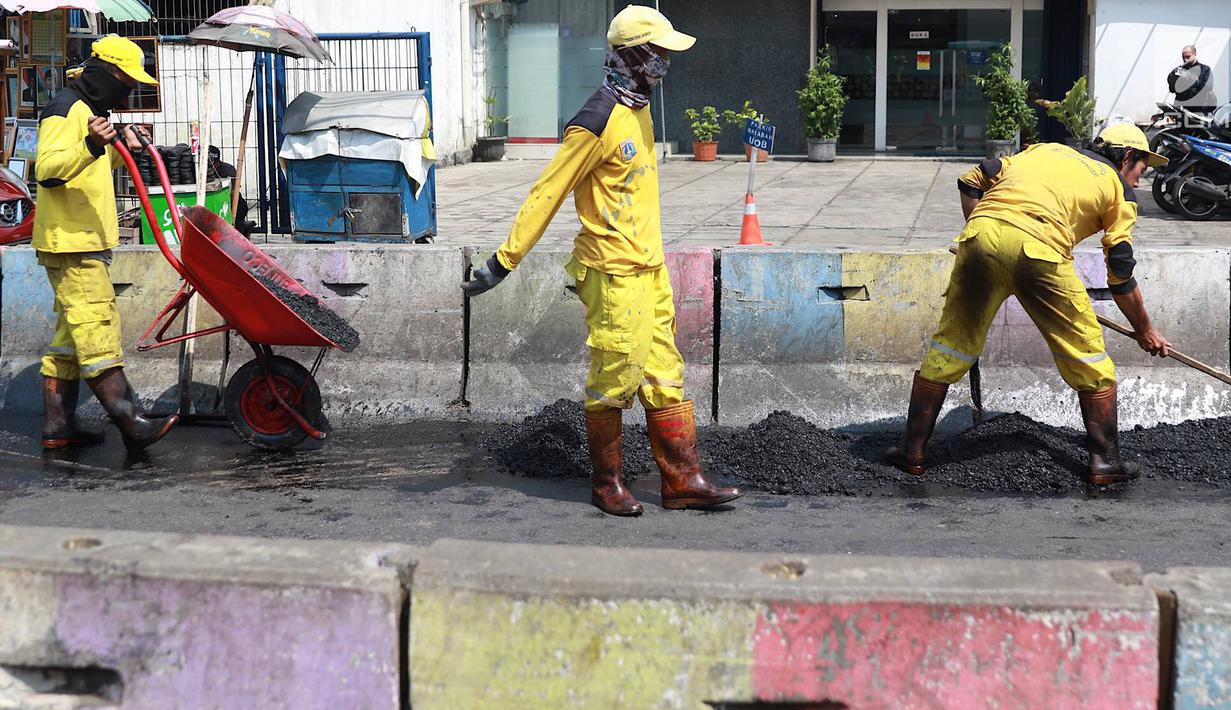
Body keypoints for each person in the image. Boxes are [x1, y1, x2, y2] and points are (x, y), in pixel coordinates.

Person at [462, 6, 740, 517]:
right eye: (659, 53)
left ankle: (683, 480)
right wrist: (504, 260)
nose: (665, 63)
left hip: (649, 268)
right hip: (612, 272)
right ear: (633, 55)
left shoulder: (639, 107)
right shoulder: (595, 121)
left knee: (665, 373)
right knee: (615, 376)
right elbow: (547, 193)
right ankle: (606, 483)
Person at [886, 124, 1171, 486]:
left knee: (950, 345)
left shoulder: (1043, 150)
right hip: (1040, 252)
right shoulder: (1118, 188)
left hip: (980, 237)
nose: (1139, 180)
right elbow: (1120, 268)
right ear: (1127, 156)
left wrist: (987, 239)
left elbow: (973, 178)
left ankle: (912, 452)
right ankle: (1105, 462)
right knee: (1088, 356)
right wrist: (1144, 329)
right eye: (1141, 169)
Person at [35, 35, 177, 451]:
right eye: (125, 82)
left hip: (80, 240)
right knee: (97, 330)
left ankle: (58, 426)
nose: (127, 92)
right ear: (106, 72)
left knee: (68, 341)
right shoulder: (65, 109)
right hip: (71, 244)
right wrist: (91, 143)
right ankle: (131, 422)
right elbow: (47, 170)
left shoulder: (89, 109)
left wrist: (117, 147)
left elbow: (89, 166)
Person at [1168, 45, 1218, 113]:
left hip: (1199, 108)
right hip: (1181, 107)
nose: (1185, 59)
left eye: (1188, 57)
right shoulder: (1179, 70)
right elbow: (1172, 89)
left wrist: (1190, 78)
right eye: (1183, 57)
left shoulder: (1205, 69)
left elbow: (1208, 87)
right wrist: (1172, 77)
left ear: (1195, 54)